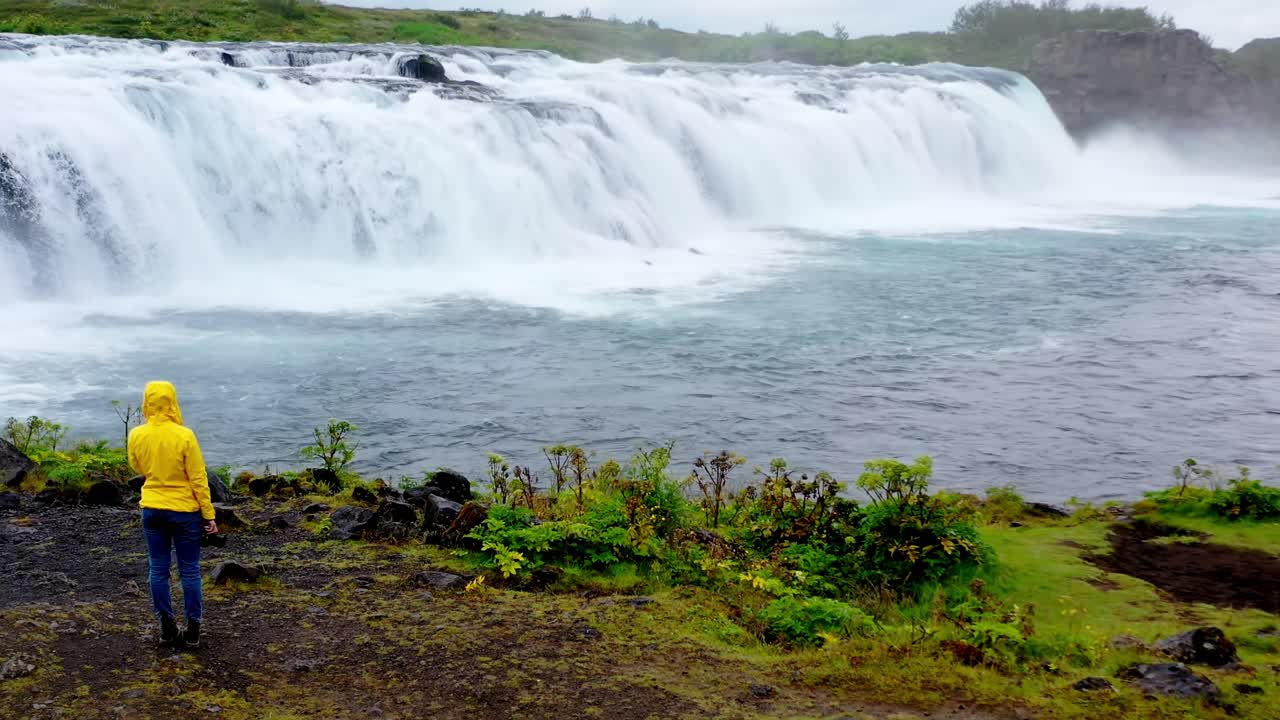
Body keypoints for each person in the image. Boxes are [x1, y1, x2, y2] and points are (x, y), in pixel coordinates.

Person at [127, 381, 217, 648]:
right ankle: (193, 629)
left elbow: (138, 466)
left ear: (148, 403)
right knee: (189, 570)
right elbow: (198, 478)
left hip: (152, 509)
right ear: (172, 402)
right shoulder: (185, 435)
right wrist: (208, 514)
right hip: (184, 512)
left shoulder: (137, 435)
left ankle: (166, 627)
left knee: (158, 568)